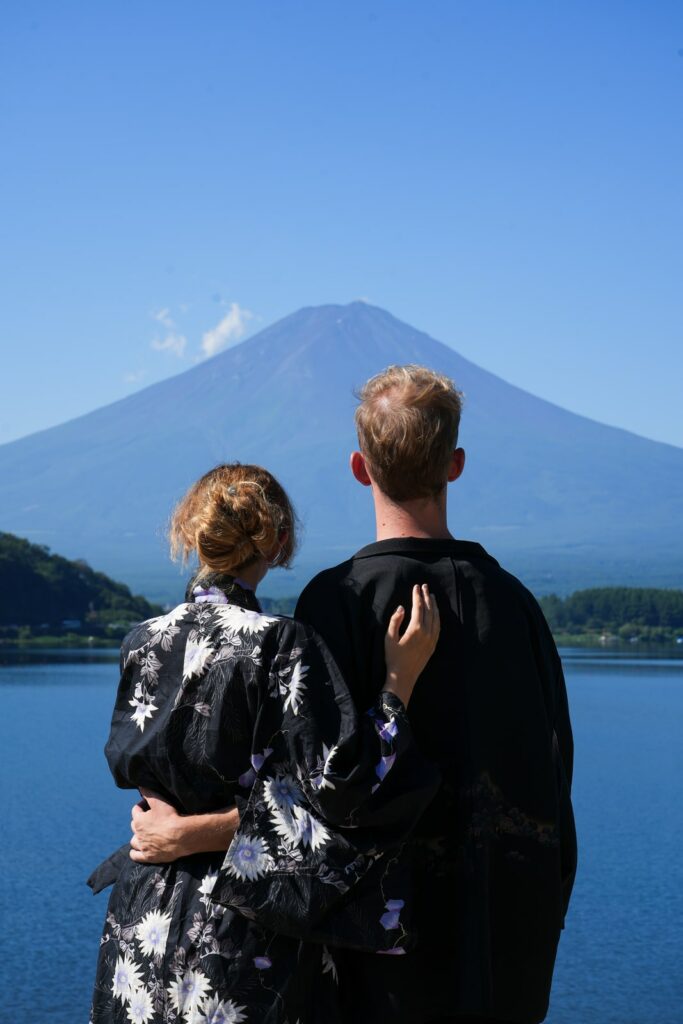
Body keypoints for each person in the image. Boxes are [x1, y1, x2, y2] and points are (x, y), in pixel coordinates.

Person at [141, 365, 577, 1024]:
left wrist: (186, 835)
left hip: (376, 967)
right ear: (454, 464)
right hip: (503, 958)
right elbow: (551, 789)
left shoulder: (335, 602)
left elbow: (310, 804)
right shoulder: (516, 607)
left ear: (358, 467)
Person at [89, 462, 441, 1024]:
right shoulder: (281, 644)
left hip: (142, 915)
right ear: (278, 542)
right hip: (240, 929)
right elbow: (346, 791)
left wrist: (180, 832)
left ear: (191, 534)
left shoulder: (142, 642)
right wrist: (399, 684)